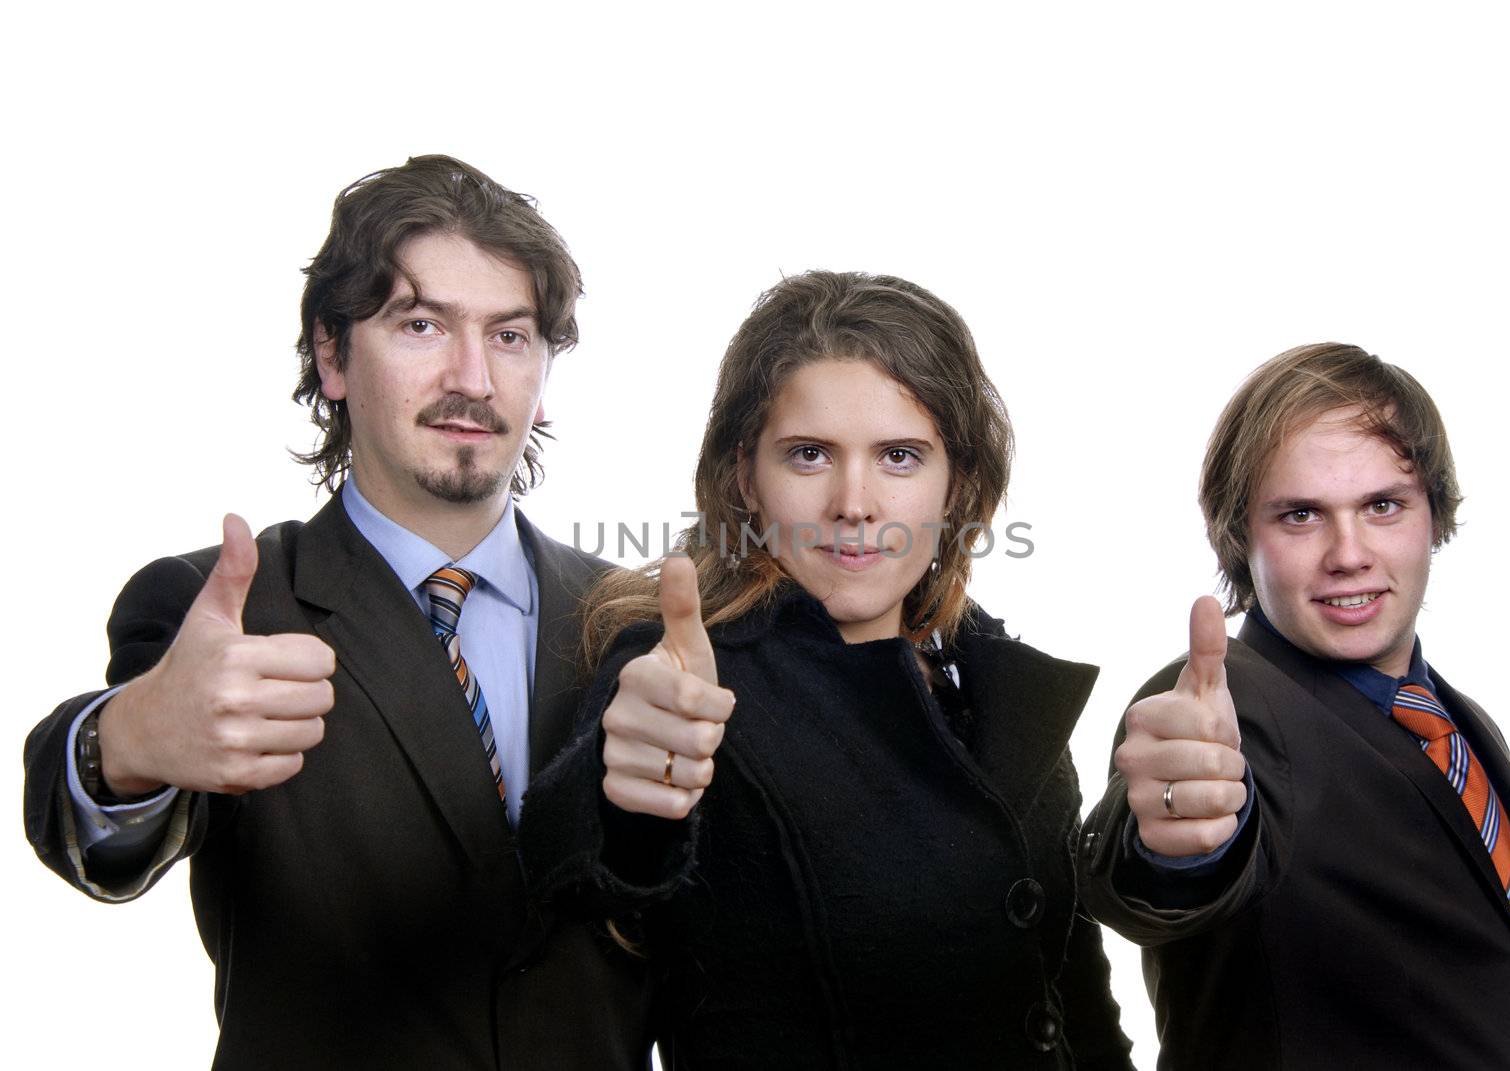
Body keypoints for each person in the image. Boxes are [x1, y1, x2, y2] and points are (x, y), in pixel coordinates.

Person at [22, 155, 653, 1069]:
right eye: (423, 323)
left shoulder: (628, 624)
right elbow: (72, 801)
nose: (472, 376)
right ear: (331, 353)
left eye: (510, 336)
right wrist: (123, 742)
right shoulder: (223, 611)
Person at [520, 271, 1135, 1068]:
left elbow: (1077, 1001)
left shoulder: (988, 679)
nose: (855, 501)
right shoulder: (684, 678)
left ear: (958, 483)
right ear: (746, 475)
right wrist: (627, 790)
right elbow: (586, 864)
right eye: (809, 454)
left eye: (900, 456)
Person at [1077, 343, 1510, 1069]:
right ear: (1242, 536)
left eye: (1382, 505)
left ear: (1432, 514)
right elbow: (1157, 875)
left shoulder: (1459, 722)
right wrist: (1178, 838)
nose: (1349, 552)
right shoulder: (1225, 708)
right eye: (1301, 514)